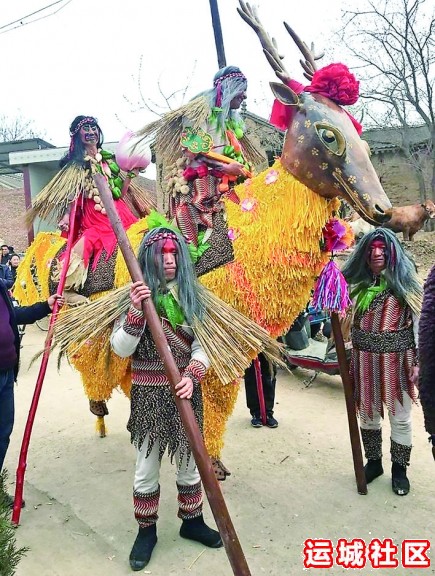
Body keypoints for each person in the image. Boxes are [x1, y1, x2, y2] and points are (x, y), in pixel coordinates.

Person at [110, 226, 222, 571]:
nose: (170, 260)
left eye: (175, 254)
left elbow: (204, 346)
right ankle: (147, 530)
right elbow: (120, 348)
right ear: (149, 259)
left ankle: (192, 520)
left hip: (186, 394)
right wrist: (136, 313)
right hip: (148, 395)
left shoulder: (193, 298)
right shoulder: (133, 297)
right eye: (163, 254)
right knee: (146, 468)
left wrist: (193, 375)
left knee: (191, 464)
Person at [342, 228, 421, 496]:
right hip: (364, 360)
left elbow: (422, 324)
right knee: (367, 416)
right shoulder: (357, 284)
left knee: (400, 418)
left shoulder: (407, 285)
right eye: (372, 249)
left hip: (399, 361)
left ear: (392, 252)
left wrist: (420, 362)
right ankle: (374, 463)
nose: (377, 254)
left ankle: (400, 470)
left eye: (383, 249)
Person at [0, 278, 64, 507]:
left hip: (6, 373)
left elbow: (14, 316)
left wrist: (45, 306)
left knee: (3, 432)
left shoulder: (0, 287)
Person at [244, 353, 278, 428]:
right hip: (249, 346)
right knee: (251, 375)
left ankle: (268, 413)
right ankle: (256, 413)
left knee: (269, 375)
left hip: (269, 344)